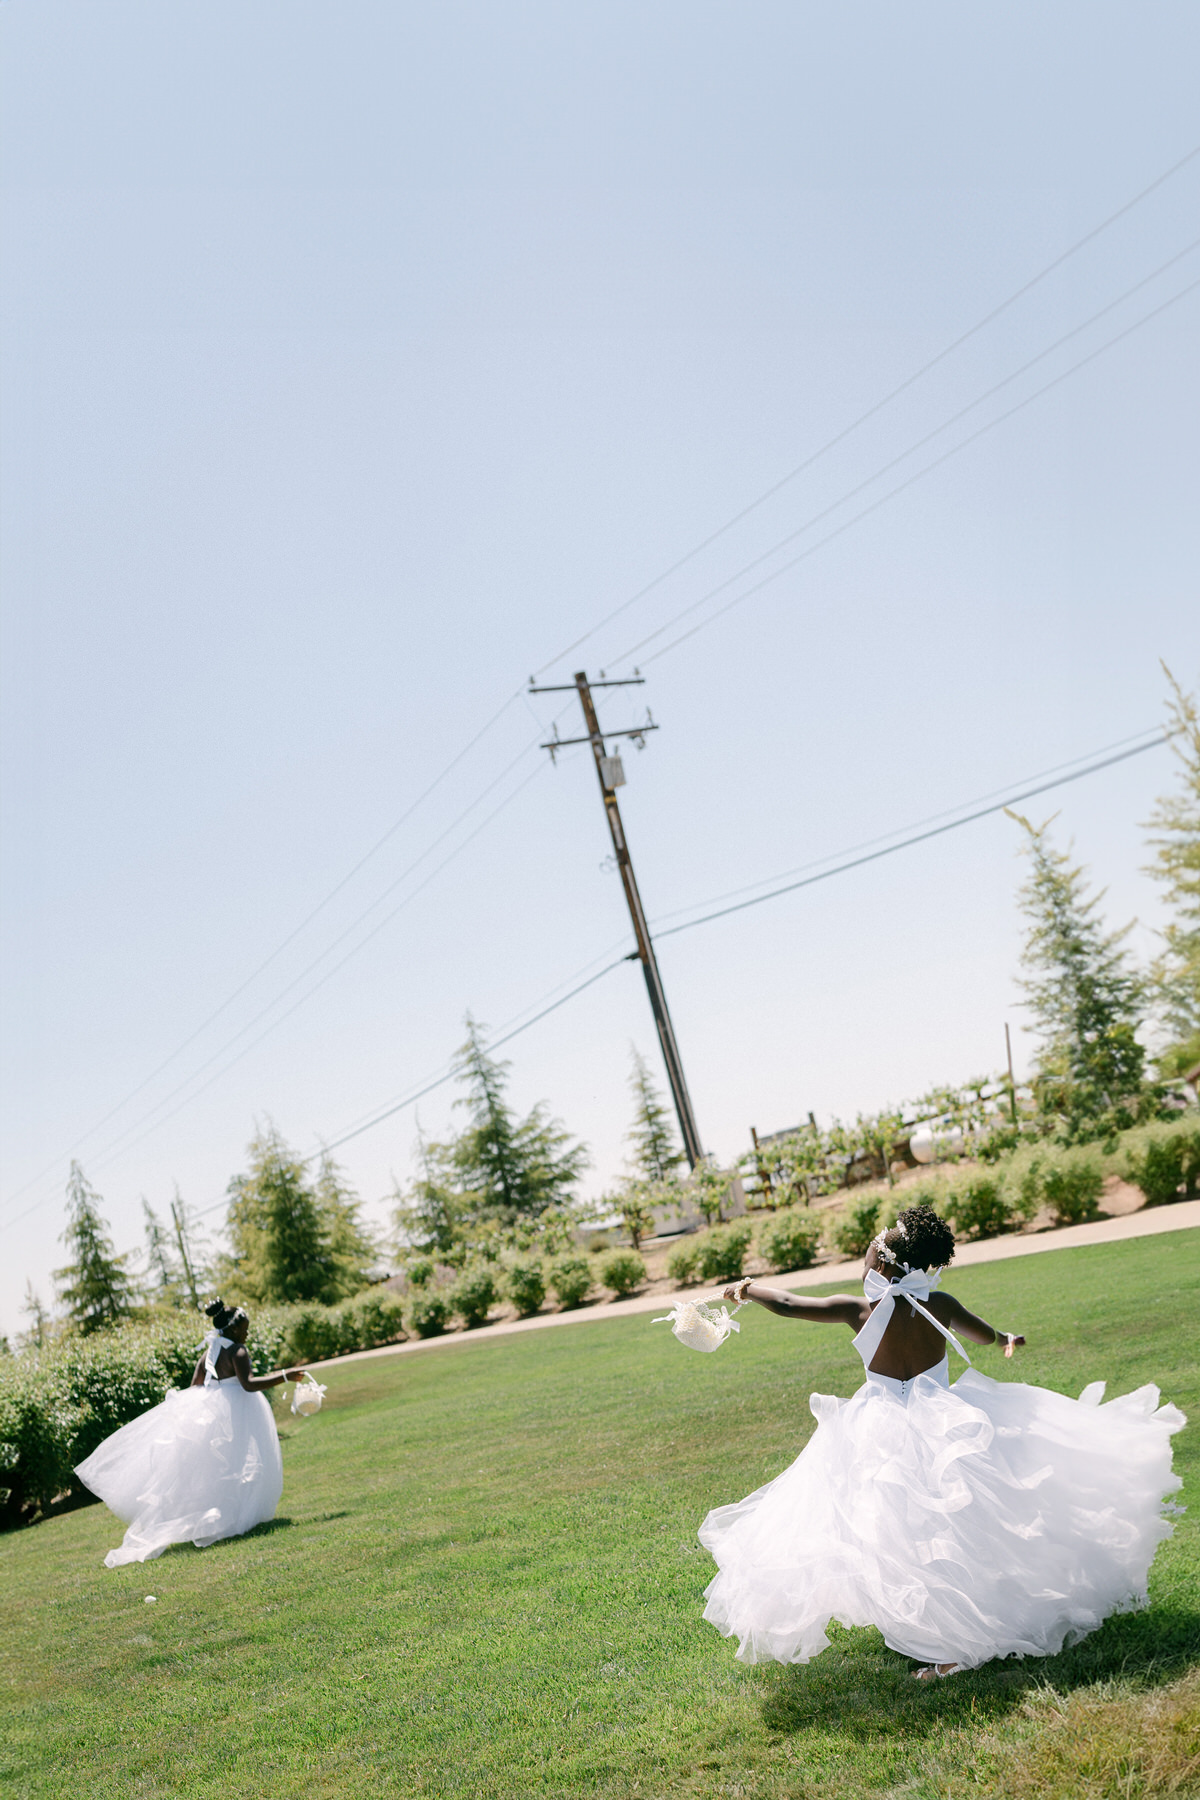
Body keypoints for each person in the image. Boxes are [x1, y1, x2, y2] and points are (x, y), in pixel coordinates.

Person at [699, 1202, 1184, 1680]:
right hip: (946, 1424)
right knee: (949, 1532)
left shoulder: (860, 1309)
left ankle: (952, 1644)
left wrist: (747, 1288)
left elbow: (790, 1305)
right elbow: (981, 1333)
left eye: (871, 1249)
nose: (865, 1257)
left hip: (881, 1427)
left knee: (903, 1534)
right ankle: (956, 1617)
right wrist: (1006, 1339)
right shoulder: (940, 1304)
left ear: (883, 1264)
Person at [74, 1299, 306, 1568]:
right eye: (244, 1328)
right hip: (238, 1413)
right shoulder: (238, 1351)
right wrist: (286, 1376)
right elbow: (249, 1384)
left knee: (217, 1469)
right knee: (243, 1464)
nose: (247, 1333)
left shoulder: (211, 1352)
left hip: (213, 1414)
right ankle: (236, 1517)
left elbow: (196, 1384)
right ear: (232, 1330)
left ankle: (221, 1518)